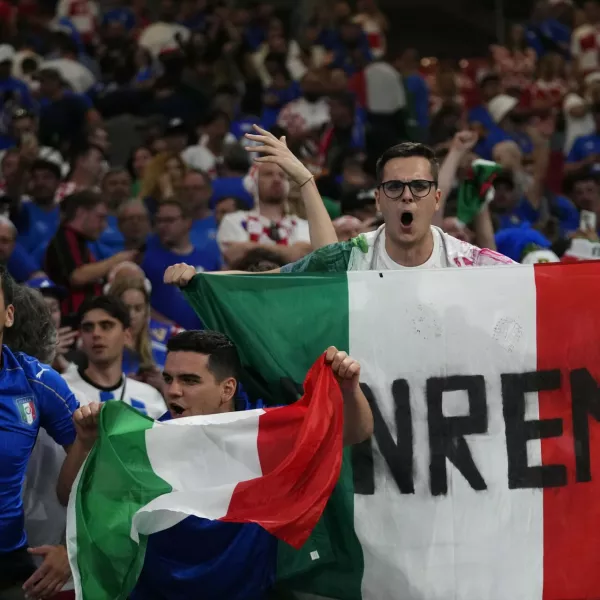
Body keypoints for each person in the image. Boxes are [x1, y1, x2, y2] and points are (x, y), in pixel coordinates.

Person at [58, 330, 373, 599]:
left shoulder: (265, 434)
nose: (173, 390)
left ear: (228, 389)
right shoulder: (150, 440)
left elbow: (355, 432)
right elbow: (70, 497)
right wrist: (84, 443)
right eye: (168, 378)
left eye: (189, 380)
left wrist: (349, 388)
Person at [167, 138, 513, 280]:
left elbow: (539, 288)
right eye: (394, 187)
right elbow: (269, 281)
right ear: (378, 199)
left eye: (419, 187)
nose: (407, 196)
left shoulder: (470, 264)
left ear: (436, 199)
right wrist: (200, 278)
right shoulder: (357, 255)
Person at [0, 265, 79, 599]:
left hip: (7, 568)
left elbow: (105, 469)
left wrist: (71, 549)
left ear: (8, 315)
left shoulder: (36, 382)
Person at [62, 296, 166, 419]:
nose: (96, 334)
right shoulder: (62, 390)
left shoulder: (150, 397)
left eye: (106, 326)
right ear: (81, 338)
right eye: (88, 328)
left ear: (127, 335)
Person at [44, 190, 138, 315]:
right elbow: (77, 276)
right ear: (81, 213)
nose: (104, 225)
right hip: (72, 319)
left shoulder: (81, 242)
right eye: (100, 217)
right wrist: (117, 260)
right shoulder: (64, 238)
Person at [142, 200, 222, 330]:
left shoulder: (210, 259)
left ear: (188, 222)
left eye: (169, 220)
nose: (163, 226)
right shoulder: (148, 260)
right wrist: (169, 328)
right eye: (159, 221)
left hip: (204, 336)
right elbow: (141, 304)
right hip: (163, 338)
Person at [107, 276, 180, 380]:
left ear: (146, 310)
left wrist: (164, 385)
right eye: (125, 308)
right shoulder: (101, 347)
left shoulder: (168, 341)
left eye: (138, 308)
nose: (132, 315)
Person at [26, 276, 78, 374]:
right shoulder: (11, 353)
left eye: (54, 309)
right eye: (40, 309)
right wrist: (45, 353)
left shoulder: (74, 354)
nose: (48, 316)